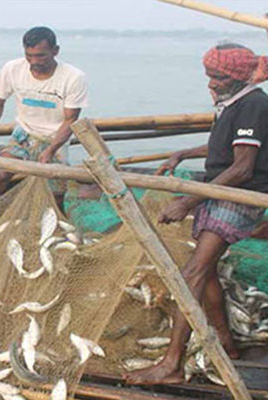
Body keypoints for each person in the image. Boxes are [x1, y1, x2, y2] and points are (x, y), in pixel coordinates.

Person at [126, 43, 268, 385]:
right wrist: (183, 152)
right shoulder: (233, 102)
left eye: (217, 77)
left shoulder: (254, 104)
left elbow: (243, 167)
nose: (211, 83)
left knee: (192, 272)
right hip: (218, 190)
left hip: (238, 196)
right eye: (208, 75)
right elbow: (228, 146)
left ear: (235, 77)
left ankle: (171, 365)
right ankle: (227, 344)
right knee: (207, 273)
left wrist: (187, 202)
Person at [0, 27, 87, 231]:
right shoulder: (13, 68)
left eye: (41, 55)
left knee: (56, 198)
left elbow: (71, 120)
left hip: (55, 140)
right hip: (23, 135)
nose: (34, 61)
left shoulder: (73, 77)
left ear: (55, 51)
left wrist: (49, 151)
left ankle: (59, 235)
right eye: (29, 55)